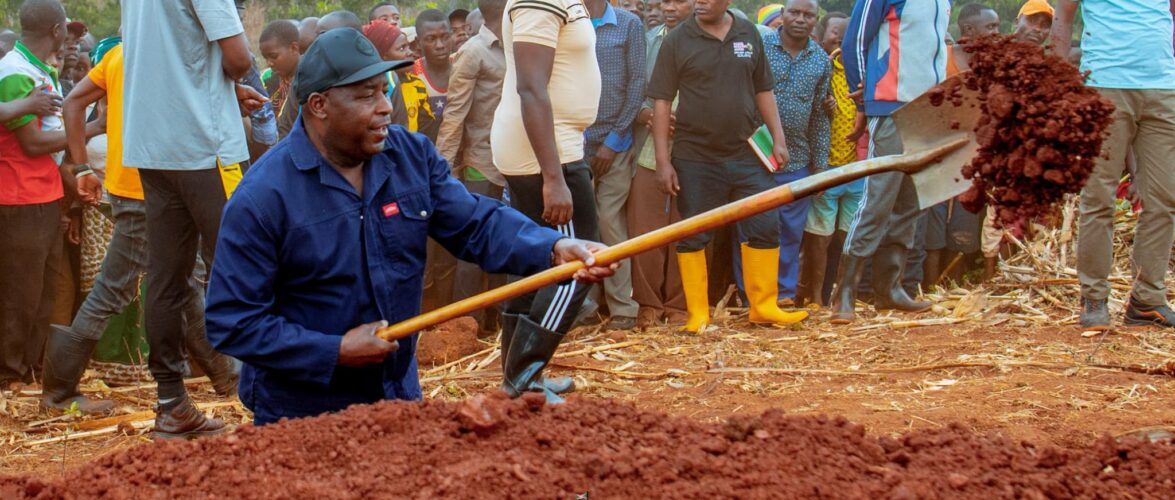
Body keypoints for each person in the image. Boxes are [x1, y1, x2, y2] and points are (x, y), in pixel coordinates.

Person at [205, 28, 613, 424]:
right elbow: (233, 321)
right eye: (367, 96)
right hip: (303, 409)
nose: (385, 106)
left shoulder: (409, 156)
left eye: (384, 90)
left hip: (396, 393)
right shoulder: (263, 197)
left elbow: (473, 222)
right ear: (318, 106)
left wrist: (551, 248)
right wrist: (333, 350)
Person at [49, 37, 240, 414]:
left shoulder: (121, 55)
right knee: (114, 289)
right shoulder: (177, 54)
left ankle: (226, 376)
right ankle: (59, 391)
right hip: (151, 188)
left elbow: (73, 103)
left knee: (183, 279)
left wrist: (83, 166)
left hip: (136, 184)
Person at [121, 0, 264, 438]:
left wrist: (220, 89)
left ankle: (171, 403)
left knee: (166, 276)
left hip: (154, 145)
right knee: (247, 262)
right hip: (205, 145)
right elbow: (238, 57)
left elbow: (170, 59)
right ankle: (271, 392)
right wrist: (228, 82)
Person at [649, 0, 808, 333]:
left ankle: (763, 307)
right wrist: (663, 160)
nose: (700, 2)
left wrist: (778, 138)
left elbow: (763, 88)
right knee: (694, 232)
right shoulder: (678, 39)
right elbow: (661, 101)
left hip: (747, 152)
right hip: (696, 156)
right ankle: (697, 314)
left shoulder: (748, 33)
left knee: (765, 222)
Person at [492, 0, 601, 402]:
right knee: (579, 263)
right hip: (546, 154)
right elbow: (531, 87)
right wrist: (554, 178)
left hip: (549, 147)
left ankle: (518, 377)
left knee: (533, 260)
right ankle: (525, 374)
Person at [1054, 0, 1175, 329]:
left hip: (1163, 88)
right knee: (1099, 197)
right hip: (1105, 84)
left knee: (1165, 199)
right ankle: (1094, 297)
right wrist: (1060, 78)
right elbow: (1063, 16)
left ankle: (1147, 300)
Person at [0, 0, 102, 391]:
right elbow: (32, 143)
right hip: (18, 198)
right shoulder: (15, 73)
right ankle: (10, 374)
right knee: (20, 294)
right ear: (57, 31)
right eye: (67, 31)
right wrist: (89, 130)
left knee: (42, 293)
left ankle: (30, 369)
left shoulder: (37, 69)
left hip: (42, 195)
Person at [831, 0, 949, 324]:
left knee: (910, 202)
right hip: (890, 102)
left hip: (928, 107)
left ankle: (890, 287)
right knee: (878, 199)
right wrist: (861, 91)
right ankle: (845, 290)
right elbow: (854, 39)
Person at [436, 0, 509, 336]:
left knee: (506, 244)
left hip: (515, 163)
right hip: (481, 163)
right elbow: (455, 113)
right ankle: (466, 327)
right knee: (473, 247)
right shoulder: (473, 52)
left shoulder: (519, 45)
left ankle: (498, 322)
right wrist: (443, 169)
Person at [752, 0, 829, 308]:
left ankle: (782, 295)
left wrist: (821, 167)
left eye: (808, 15)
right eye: (794, 12)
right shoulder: (759, 47)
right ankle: (752, 295)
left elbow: (821, 116)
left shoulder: (820, 59)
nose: (800, 19)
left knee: (790, 233)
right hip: (754, 157)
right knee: (754, 229)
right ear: (782, 15)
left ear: (816, 19)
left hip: (798, 160)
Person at [628, 0, 692, 330]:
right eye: (665, 1)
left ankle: (680, 304)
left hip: (695, 149)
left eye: (680, 1)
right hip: (649, 150)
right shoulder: (647, 39)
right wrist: (647, 114)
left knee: (689, 227)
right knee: (645, 228)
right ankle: (648, 304)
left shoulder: (708, 40)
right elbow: (632, 88)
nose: (670, 7)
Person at [582, 0, 646, 331]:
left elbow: (637, 84)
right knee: (582, 229)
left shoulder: (628, 23)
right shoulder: (568, 19)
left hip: (615, 143)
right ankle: (586, 306)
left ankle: (623, 307)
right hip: (575, 143)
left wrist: (614, 140)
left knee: (609, 221)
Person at [796, 11, 858, 308]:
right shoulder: (823, 68)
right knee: (819, 237)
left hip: (857, 168)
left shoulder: (866, 76)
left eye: (849, 39)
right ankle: (815, 296)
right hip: (827, 165)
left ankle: (839, 294)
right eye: (838, 37)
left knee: (846, 237)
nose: (842, 44)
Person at [390, 9, 451, 143]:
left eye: (445, 37)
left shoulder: (463, 67)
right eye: (431, 39)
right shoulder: (410, 75)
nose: (440, 45)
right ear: (418, 42)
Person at [260, 20, 301, 140]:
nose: (269, 63)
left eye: (274, 56)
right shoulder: (267, 77)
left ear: (294, 48)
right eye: (265, 58)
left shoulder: (308, 78)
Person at [948, 3, 999, 74]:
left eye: (997, 27)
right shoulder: (942, 56)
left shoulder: (998, 60)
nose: (996, 33)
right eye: (990, 27)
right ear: (969, 29)